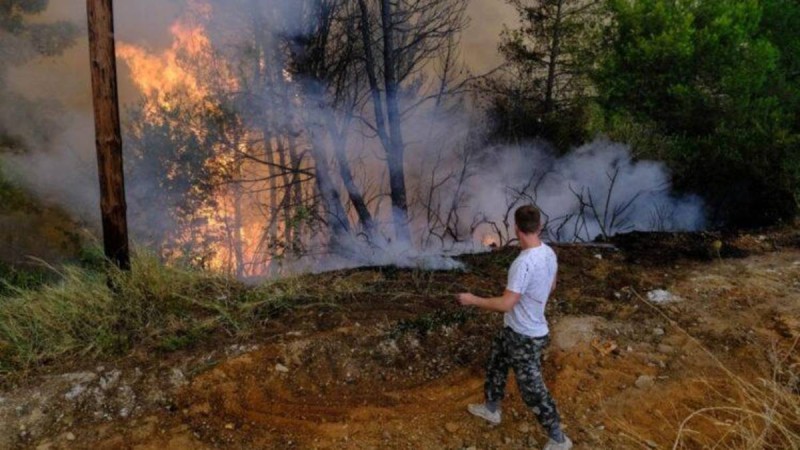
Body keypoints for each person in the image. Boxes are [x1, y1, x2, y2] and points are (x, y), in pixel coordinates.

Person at [457, 205, 572, 450]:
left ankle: (558, 438)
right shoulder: (549, 253)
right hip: (514, 329)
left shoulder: (523, 263)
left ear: (516, 228)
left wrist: (472, 300)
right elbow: (551, 287)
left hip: (526, 336)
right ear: (539, 227)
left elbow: (507, 303)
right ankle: (491, 409)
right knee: (496, 364)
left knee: (532, 389)